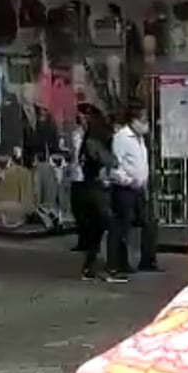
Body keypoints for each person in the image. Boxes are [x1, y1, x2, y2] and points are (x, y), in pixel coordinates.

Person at [106, 102, 159, 281]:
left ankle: (148, 260)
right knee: (121, 226)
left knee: (149, 222)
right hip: (124, 188)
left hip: (139, 188)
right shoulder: (122, 138)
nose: (146, 124)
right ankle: (115, 264)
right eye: (143, 120)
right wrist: (127, 180)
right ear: (134, 120)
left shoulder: (139, 139)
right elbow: (115, 165)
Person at [75, 105, 118, 281]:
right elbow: (108, 160)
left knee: (96, 228)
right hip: (97, 187)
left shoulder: (93, 138)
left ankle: (90, 265)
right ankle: (108, 266)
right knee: (106, 225)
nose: (81, 121)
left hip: (92, 185)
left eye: (84, 117)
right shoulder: (94, 138)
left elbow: (95, 158)